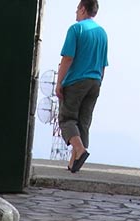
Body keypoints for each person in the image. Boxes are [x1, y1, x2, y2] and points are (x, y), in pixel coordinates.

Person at [55, 0, 108, 173]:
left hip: (76, 81)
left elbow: (68, 58)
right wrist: (99, 81)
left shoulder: (76, 29)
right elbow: (103, 64)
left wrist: (59, 82)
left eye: (77, 9)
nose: (76, 12)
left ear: (83, 9)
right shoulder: (102, 33)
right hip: (95, 81)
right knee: (83, 122)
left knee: (67, 119)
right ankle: (74, 163)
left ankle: (80, 150)